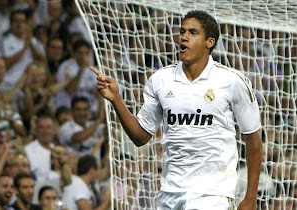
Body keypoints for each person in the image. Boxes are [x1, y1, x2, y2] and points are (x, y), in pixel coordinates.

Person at [91, 10, 262, 210]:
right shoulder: (160, 80)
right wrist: (116, 100)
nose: (184, 37)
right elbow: (140, 137)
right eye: (182, 31)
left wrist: (250, 198)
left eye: (192, 32)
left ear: (210, 42)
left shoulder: (231, 81)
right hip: (169, 194)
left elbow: (253, 140)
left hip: (212, 195)